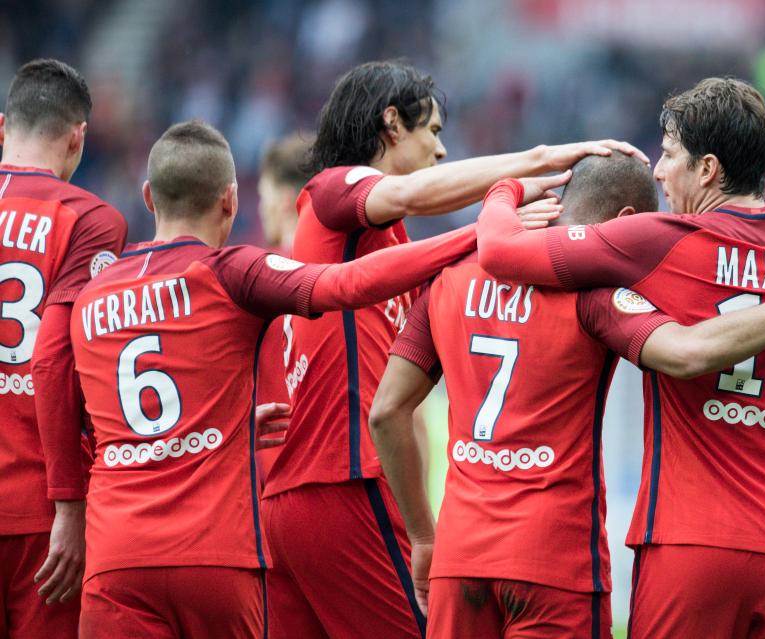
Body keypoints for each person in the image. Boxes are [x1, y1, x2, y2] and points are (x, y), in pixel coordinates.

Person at [474, 78, 765, 638]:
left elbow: (500, 253)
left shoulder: (659, 240)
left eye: (669, 154)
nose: (658, 171)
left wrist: (503, 190)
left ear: (707, 169)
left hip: (689, 545)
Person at [368, 151, 765, 639]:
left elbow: (387, 412)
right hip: (555, 562)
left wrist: (423, 536)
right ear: (626, 220)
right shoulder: (596, 294)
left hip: (460, 559)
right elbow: (687, 353)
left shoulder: (450, 279)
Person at [260, 59, 638, 639]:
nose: (441, 151)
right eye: (432, 132)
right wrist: (523, 181)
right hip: (345, 480)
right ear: (391, 124)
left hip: (296, 498)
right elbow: (415, 191)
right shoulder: (333, 187)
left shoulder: (389, 245)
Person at [69, 120, 479, 638]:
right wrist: (475, 234)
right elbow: (347, 282)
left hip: (116, 558)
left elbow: (97, 427)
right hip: (217, 557)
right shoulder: (232, 272)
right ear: (230, 201)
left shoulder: (90, 299)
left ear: (148, 198)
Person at [0, 58, 127, 638]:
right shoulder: (89, 219)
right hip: (37, 503)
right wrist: (71, 505)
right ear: (79, 136)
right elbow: (52, 359)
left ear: (3, 128)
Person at [254, 134, 313, 481]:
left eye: (265, 196)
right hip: (347, 478)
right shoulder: (353, 274)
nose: (261, 209)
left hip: (273, 477)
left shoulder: (250, 278)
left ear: (286, 200)